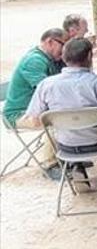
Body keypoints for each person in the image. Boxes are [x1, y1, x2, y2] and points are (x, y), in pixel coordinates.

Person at [21, 38, 97, 181]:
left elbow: (35, 121)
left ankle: (78, 167)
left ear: (64, 57)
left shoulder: (46, 85)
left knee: (70, 127)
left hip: (65, 146)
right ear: (90, 56)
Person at [3, 28, 67, 177]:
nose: (65, 50)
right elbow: (47, 93)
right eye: (63, 45)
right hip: (18, 114)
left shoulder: (51, 59)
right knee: (55, 120)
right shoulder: (34, 60)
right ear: (50, 42)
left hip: (35, 109)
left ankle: (69, 157)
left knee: (64, 115)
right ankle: (49, 165)